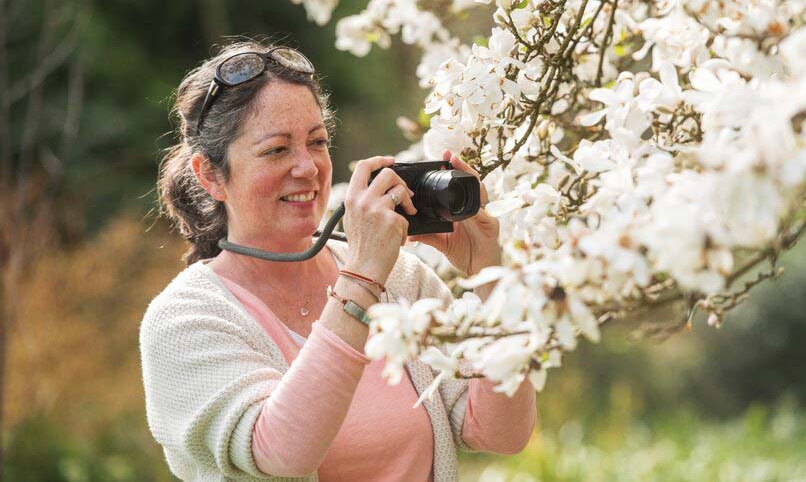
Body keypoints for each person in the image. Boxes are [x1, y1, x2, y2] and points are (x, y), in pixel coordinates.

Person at [141, 40, 537, 481]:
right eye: (276, 149)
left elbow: (502, 434)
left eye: (317, 142)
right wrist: (363, 277)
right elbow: (280, 451)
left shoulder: (401, 278)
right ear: (210, 175)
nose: (308, 168)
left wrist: (491, 279)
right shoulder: (184, 320)